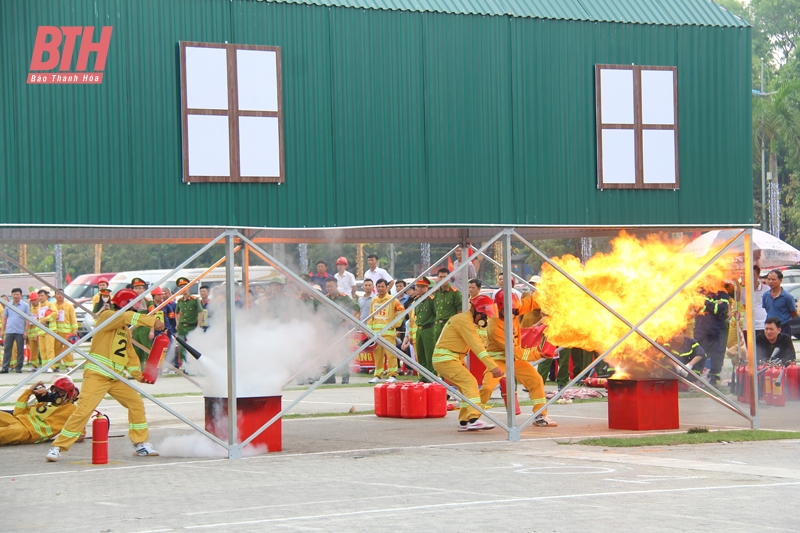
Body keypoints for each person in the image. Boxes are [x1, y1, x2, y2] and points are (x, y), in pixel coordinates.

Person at [46, 289, 165, 462]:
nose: (137, 309)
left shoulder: (124, 330)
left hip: (115, 378)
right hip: (97, 375)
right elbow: (125, 317)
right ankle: (58, 447)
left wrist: (139, 375)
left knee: (136, 403)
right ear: (126, 305)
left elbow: (130, 357)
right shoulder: (107, 316)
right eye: (134, 306)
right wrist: (152, 321)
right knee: (83, 411)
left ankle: (140, 444)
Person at [479, 290, 557, 426]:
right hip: (499, 362)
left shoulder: (514, 308)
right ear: (499, 308)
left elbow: (531, 302)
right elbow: (512, 350)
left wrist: (546, 296)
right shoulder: (494, 326)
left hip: (515, 361)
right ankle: (470, 418)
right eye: (507, 311)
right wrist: (537, 355)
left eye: (514, 311)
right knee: (487, 388)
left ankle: (540, 416)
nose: (512, 314)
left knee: (536, 380)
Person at [432, 295, 501, 431]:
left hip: (448, 358)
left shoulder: (463, 320)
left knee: (465, 388)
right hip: (446, 359)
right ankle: (473, 418)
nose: (484, 319)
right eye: (484, 316)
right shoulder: (464, 321)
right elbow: (477, 347)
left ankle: (464, 422)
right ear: (477, 311)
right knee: (470, 383)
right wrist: (492, 366)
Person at [1, 377, 80, 445]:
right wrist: (29, 392)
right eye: (56, 391)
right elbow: (18, 412)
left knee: (7, 432)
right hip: (18, 420)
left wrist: (79, 434)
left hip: (29, 432)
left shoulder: (71, 408)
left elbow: (79, 424)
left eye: (61, 392)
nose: (56, 394)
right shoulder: (45, 404)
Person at [367, 279, 405, 383]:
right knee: (377, 356)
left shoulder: (392, 300)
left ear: (387, 287)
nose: (380, 289)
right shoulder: (374, 300)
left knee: (391, 355)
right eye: (378, 287)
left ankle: (392, 375)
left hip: (388, 333)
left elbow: (402, 310)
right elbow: (370, 316)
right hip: (376, 333)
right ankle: (378, 375)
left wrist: (396, 323)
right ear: (376, 287)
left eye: (382, 286)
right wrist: (369, 330)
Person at [324, 278, 360, 384]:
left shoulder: (344, 298)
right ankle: (330, 376)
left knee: (343, 352)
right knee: (330, 351)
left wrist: (348, 321)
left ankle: (345, 376)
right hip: (330, 328)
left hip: (341, 328)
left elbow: (356, 307)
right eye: (327, 287)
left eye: (331, 286)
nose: (329, 288)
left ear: (336, 286)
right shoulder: (326, 298)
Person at [694, 287, 730, 387]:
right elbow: (697, 307)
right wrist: (714, 304)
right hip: (702, 328)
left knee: (717, 353)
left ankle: (714, 378)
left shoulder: (723, 293)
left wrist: (706, 303)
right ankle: (696, 376)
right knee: (699, 352)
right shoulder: (699, 290)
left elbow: (721, 309)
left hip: (717, 330)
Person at [411, 277, 437, 382]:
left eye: (423, 287)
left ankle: (432, 377)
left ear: (427, 288)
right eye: (418, 286)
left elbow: (436, 314)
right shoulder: (417, 300)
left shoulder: (432, 300)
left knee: (429, 355)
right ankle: (422, 377)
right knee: (420, 355)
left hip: (429, 329)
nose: (420, 289)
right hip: (419, 330)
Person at [175, 277, 203, 366]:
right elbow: (176, 313)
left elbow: (201, 312)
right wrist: (177, 323)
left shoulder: (194, 300)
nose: (184, 289)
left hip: (192, 326)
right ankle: (184, 365)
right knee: (181, 347)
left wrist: (198, 325)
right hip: (182, 327)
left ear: (189, 287)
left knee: (192, 346)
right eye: (181, 287)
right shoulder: (179, 301)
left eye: (185, 286)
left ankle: (193, 365)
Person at [762, 270, 798, 338]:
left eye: (773, 279)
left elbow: (793, 312)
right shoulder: (765, 296)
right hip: (770, 328)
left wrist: (783, 319)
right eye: (769, 279)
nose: (770, 282)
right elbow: (767, 309)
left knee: (784, 347)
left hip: (783, 327)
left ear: (780, 280)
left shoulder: (787, 297)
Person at [2, 288, 29, 374]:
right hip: (9, 330)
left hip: (20, 330)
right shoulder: (8, 305)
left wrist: (26, 331)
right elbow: (5, 317)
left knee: (20, 350)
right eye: (14, 294)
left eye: (17, 294)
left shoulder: (25, 306)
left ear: (21, 295)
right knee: (7, 349)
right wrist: (2, 330)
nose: (16, 296)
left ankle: (19, 367)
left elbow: (27, 319)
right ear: (12, 295)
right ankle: (5, 367)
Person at [130, 277, 155, 366]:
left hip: (145, 329)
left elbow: (152, 316)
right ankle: (140, 370)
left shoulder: (148, 301)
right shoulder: (131, 303)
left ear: (144, 289)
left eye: (140, 288)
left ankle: (151, 370)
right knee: (136, 351)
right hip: (135, 329)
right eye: (136, 288)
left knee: (147, 350)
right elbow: (130, 317)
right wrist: (131, 331)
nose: (138, 290)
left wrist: (152, 331)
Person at [433, 268, 462, 342]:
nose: (442, 279)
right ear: (437, 278)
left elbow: (460, 311)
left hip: (450, 325)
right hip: (437, 326)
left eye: (445, 277)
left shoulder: (455, 293)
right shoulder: (436, 293)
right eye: (440, 277)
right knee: (437, 349)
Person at [52, 290, 78, 371]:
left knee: (68, 349)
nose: (60, 295)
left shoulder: (69, 306)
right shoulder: (52, 306)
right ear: (55, 295)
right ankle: (56, 366)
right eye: (58, 294)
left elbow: (73, 318)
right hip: (56, 332)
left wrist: (74, 330)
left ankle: (69, 365)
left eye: (61, 294)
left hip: (67, 332)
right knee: (56, 349)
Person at [34, 289, 59, 372]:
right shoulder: (39, 307)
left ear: (47, 296)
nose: (40, 297)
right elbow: (37, 319)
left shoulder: (50, 304)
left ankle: (51, 366)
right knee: (42, 350)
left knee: (50, 349)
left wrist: (46, 319)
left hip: (49, 330)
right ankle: (45, 366)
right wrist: (36, 332)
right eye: (39, 296)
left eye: (42, 296)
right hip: (41, 331)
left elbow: (55, 313)